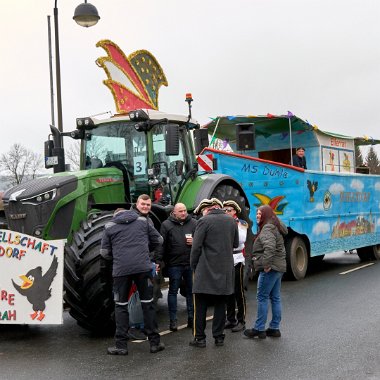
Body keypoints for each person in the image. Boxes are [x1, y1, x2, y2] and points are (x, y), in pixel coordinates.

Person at [101, 208, 165, 355]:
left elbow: (104, 253)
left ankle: (121, 346)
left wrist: (117, 258)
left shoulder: (109, 226)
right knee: (148, 304)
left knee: (121, 306)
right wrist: (145, 252)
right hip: (143, 268)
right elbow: (159, 240)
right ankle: (154, 343)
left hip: (121, 271)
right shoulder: (143, 221)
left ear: (115, 215)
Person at [189, 198, 239, 348]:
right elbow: (235, 244)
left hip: (205, 269)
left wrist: (193, 265)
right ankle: (219, 337)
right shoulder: (231, 221)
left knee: (201, 305)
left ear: (207, 209)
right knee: (220, 304)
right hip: (224, 268)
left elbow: (196, 247)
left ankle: (200, 338)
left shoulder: (203, 221)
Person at [244, 205, 287, 340]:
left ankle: (259, 328)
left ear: (266, 215)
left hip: (271, 268)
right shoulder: (273, 225)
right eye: (256, 213)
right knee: (275, 298)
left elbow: (269, 247)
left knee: (262, 297)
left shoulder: (267, 228)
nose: (257, 216)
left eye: (260, 214)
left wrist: (266, 265)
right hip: (278, 267)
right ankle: (274, 328)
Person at [159, 203, 196, 331]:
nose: (183, 213)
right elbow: (161, 245)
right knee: (173, 291)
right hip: (174, 264)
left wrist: (195, 241)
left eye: (185, 210)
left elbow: (202, 240)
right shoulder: (166, 225)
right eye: (180, 211)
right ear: (174, 212)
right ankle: (173, 320)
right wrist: (159, 261)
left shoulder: (193, 223)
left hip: (190, 263)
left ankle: (192, 318)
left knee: (191, 291)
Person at [223, 200, 248, 333]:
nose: (226, 212)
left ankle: (241, 320)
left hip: (237, 259)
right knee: (228, 291)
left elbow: (241, 240)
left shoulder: (241, 223)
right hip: (227, 259)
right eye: (225, 210)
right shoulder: (225, 222)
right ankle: (231, 318)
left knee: (238, 291)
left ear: (235, 212)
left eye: (229, 210)